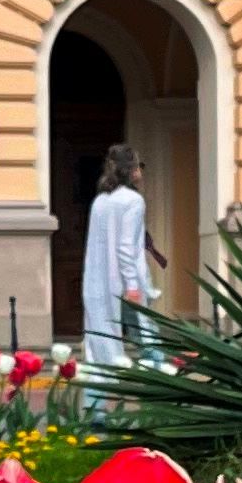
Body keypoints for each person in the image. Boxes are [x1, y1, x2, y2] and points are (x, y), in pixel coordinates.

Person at [81, 144, 157, 375]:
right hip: (126, 278)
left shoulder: (100, 201)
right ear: (132, 170)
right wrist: (133, 285)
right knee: (146, 335)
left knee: (103, 343)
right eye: (139, 166)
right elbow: (126, 247)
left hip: (98, 280)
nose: (141, 172)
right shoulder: (133, 201)